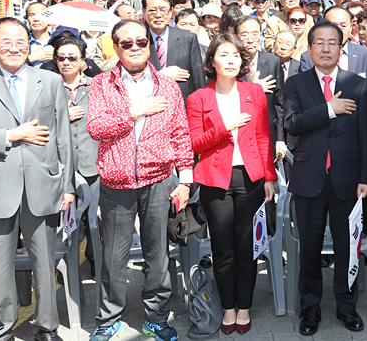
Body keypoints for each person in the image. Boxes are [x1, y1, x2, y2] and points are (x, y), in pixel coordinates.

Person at [86, 19, 193, 341]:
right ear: (116, 47)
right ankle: (108, 318)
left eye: (141, 42)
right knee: (113, 258)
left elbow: (181, 133)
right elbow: (96, 127)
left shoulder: (167, 85)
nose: (135, 48)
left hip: (159, 180)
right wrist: (135, 111)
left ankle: (156, 317)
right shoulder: (102, 83)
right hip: (116, 183)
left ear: (149, 44)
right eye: (127, 43)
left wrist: (185, 179)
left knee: (157, 255)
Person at [0, 17, 74, 341]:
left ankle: (47, 326)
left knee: (44, 263)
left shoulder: (50, 80)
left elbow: (62, 137)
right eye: (6, 42)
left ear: (30, 45)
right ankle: (0, 331)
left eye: (21, 42)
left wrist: (67, 185)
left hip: (43, 185)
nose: (14, 48)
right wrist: (11, 135)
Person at [284, 20, 367, 336]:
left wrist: (366, 176)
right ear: (309, 49)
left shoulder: (356, 84)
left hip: (348, 180)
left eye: (332, 42)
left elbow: (365, 134)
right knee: (309, 249)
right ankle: (310, 309)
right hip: (309, 179)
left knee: (347, 247)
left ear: (341, 47)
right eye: (319, 42)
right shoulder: (296, 84)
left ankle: (346, 307)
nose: (325, 48)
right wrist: (329, 109)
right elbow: (293, 124)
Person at [186, 33, 276, 335]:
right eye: (224, 55)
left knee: (246, 246)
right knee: (223, 248)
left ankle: (245, 306)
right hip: (215, 179)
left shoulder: (253, 92)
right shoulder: (199, 97)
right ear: (212, 60)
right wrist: (224, 128)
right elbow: (195, 142)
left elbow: (264, 136)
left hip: (249, 178)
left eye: (236, 56)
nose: (230, 61)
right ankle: (228, 308)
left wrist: (269, 177)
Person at [298, 6, 367, 143]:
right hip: (321, 133)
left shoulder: (364, 54)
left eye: (343, 25)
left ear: (352, 27)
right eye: (333, 25)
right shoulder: (308, 57)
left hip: (356, 133)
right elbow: (306, 100)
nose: (338, 30)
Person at [54, 35, 99, 275]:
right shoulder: (49, 87)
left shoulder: (97, 85)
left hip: (92, 163)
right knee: (66, 221)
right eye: (61, 58)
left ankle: (95, 262)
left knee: (95, 220)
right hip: (61, 166)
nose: (66, 62)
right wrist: (62, 117)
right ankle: (66, 266)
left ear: (83, 61)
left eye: (73, 58)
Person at [142, 0, 205, 105]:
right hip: (150, 106)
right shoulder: (138, 40)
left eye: (163, 10)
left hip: (182, 106)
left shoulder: (188, 38)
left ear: (171, 11)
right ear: (144, 12)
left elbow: (198, 80)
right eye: (152, 10)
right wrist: (161, 75)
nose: (158, 15)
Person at [235, 16, 285, 158]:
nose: (250, 39)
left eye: (255, 34)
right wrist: (253, 88)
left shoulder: (273, 61)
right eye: (244, 34)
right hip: (240, 130)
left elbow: (279, 103)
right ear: (237, 37)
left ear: (261, 36)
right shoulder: (231, 63)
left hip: (267, 131)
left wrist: (280, 138)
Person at [26, 1, 53, 68]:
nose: (36, 19)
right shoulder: (21, 43)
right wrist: (30, 59)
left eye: (41, 15)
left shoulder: (58, 42)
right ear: (27, 19)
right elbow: (11, 68)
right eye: (32, 15)